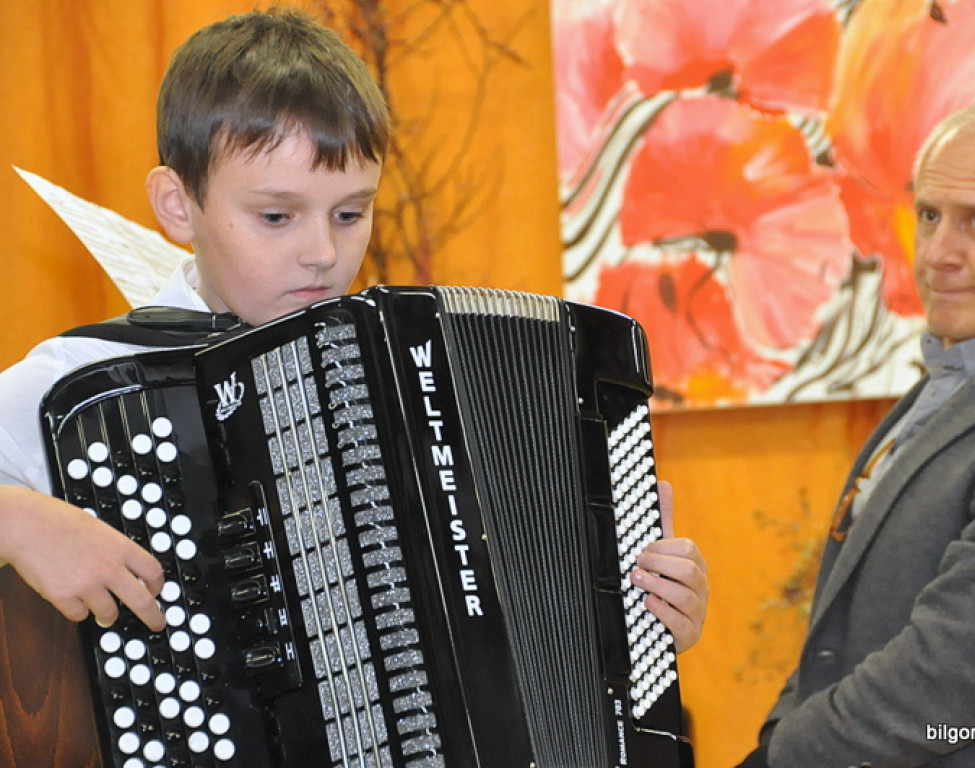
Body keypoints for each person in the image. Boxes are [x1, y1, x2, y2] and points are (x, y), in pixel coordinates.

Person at [0, 9, 707, 655]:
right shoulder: (87, 384)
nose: (322, 253)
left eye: (349, 214)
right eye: (276, 217)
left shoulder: (418, 372)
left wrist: (644, 617)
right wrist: (20, 521)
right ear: (178, 206)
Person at [717, 98, 975, 765]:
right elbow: (836, 634)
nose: (939, 252)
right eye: (930, 216)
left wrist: (780, 758)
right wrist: (775, 739)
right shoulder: (947, 380)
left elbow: (944, 680)